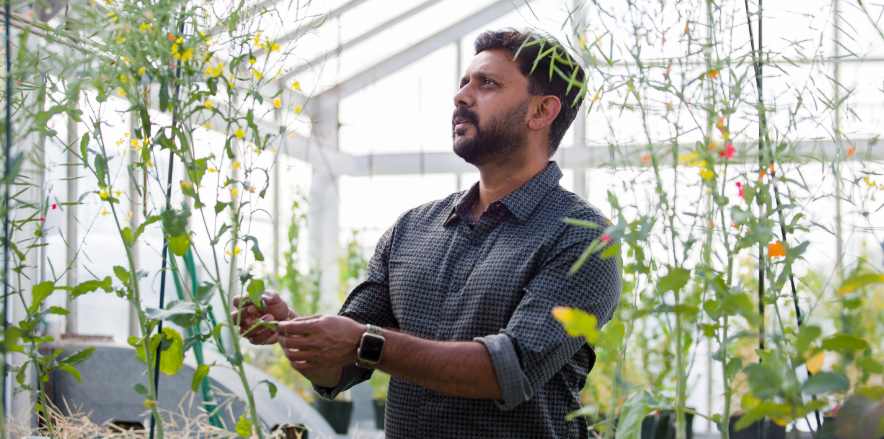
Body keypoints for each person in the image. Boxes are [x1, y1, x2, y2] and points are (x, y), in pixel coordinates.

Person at [233, 28, 621, 438]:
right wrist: (295, 330)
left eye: (487, 83)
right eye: (464, 82)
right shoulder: (411, 229)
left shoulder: (585, 239)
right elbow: (342, 366)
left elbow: (511, 369)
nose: (461, 96)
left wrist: (365, 342)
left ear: (541, 112)